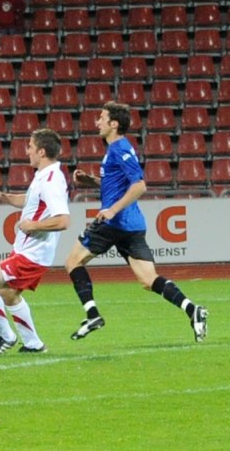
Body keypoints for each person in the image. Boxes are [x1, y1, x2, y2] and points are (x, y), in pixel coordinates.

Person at [65, 101, 209, 342]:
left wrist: (112, 210)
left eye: (101, 118)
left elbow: (140, 185)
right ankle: (193, 310)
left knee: (72, 262)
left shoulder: (119, 149)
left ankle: (92, 315)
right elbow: (118, 184)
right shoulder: (118, 149)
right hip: (132, 225)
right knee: (148, 280)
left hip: (114, 222)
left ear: (114, 124)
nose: (97, 122)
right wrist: (91, 181)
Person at [0, 128, 71, 355]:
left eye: (30, 147)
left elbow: (63, 221)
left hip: (33, 253)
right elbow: (27, 201)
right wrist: (0, 196)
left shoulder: (51, 180)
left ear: (41, 151)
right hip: (27, 250)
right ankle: (33, 344)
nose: (27, 151)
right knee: (8, 294)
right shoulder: (44, 175)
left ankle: (5, 337)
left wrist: (32, 225)